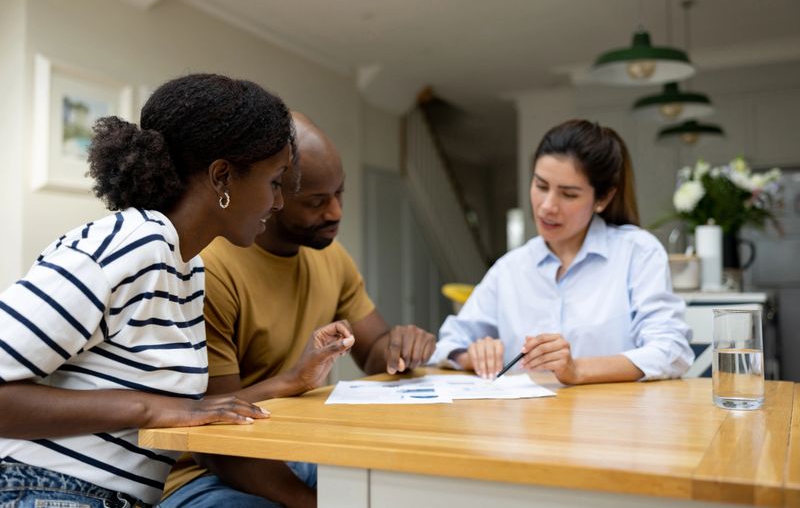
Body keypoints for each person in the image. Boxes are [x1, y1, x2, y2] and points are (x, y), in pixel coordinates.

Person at [0, 74, 354, 507]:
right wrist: (146, 410)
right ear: (223, 177)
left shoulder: (184, 269)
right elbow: (154, 408)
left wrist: (292, 381)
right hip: (45, 491)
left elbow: (188, 410)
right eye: (275, 181)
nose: (278, 203)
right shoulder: (132, 245)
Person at [161, 112, 436, 508]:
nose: (336, 212)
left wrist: (400, 348)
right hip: (207, 473)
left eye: (340, 193)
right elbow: (216, 439)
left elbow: (374, 348)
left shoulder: (331, 258)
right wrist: (311, 503)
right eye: (316, 202)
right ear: (272, 197)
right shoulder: (212, 270)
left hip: (301, 450)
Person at [431, 119, 694, 383]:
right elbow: (448, 343)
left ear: (602, 199)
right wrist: (471, 355)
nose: (547, 206)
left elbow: (671, 351)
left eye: (568, 194)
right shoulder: (510, 268)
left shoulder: (638, 253)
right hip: (527, 421)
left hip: (613, 420)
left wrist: (577, 370)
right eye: (541, 186)